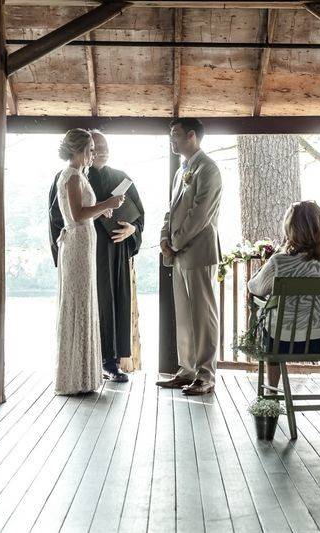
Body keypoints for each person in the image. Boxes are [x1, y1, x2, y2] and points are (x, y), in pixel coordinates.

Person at [52, 129, 124, 395]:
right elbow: (78, 214)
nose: (94, 154)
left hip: (84, 242)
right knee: (78, 305)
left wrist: (105, 209)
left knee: (84, 304)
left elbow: (85, 213)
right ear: (78, 150)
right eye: (91, 149)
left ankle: (83, 375)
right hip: (78, 244)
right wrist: (106, 203)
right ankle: (74, 377)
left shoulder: (77, 176)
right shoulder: (71, 176)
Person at [156, 118, 222, 396]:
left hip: (199, 252)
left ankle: (206, 375)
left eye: (175, 135)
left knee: (203, 316)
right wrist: (164, 238)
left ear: (192, 136)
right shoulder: (180, 171)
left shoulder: (208, 169)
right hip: (180, 252)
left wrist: (176, 242)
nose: (171, 140)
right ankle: (186, 370)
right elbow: (172, 210)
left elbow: (200, 214)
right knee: (183, 315)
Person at [247, 201, 320, 388]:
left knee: (267, 322)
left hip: (284, 342)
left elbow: (255, 288)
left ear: (290, 228)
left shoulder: (280, 261)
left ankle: (272, 393)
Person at [85, 131, 145, 383]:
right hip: (89, 251)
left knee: (115, 304)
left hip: (117, 250)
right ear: (87, 148)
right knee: (94, 304)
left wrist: (133, 230)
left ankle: (112, 362)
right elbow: (59, 217)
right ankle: (88, 361)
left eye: (106, 145)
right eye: (97, 146)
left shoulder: (121, 177)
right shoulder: (76, 177)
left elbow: (139, 215)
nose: (102, 149)